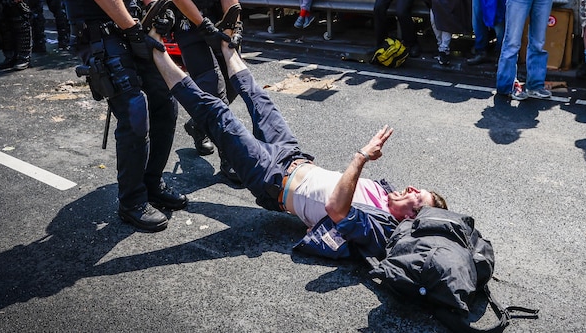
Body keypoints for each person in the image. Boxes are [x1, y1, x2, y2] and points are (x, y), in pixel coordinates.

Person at [145, 21, 447, 258]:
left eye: (417, 197)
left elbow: (336, 210)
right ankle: (226, 42)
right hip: (292, 155)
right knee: (260, 98)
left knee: (217, 114)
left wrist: (362, 156)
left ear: (410, 218)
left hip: (269, 177)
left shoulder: (378, 226)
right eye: (417, 188)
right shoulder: (385, 196)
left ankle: (153, 47)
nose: (411, 187)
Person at [55, 0, 185, 231]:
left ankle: (152, 183)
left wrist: (157, 6)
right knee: (134, 112)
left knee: (164, 101)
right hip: (102, 35)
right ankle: (131, 203)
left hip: (129, 30)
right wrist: (131, 28)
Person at [161, 0, 242, 181]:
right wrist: (205, 27)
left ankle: (199, 124)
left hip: (218, 20)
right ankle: (230, 158)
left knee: (235, 81)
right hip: (189, 24)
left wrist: (232, 24)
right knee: (213, 86)